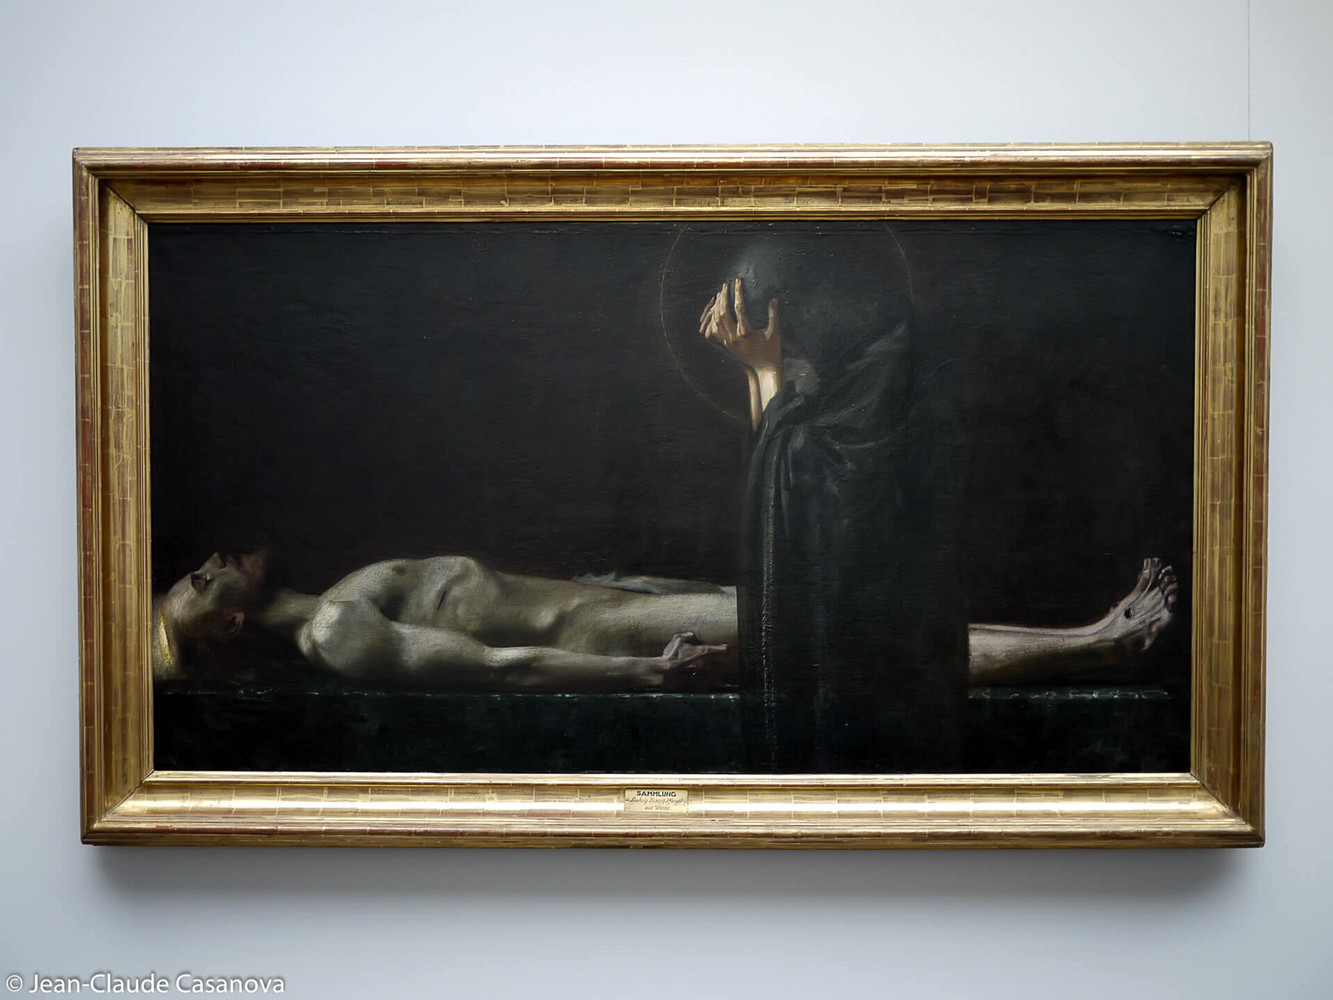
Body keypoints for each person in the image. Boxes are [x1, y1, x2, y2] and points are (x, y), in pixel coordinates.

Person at [153, 546, 1177, 693]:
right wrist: (643, 670)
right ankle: (1103, 644)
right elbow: (499, 665)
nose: (203, 570)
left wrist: (626, 587)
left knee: (853, 620)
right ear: (231, 628)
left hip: (617, 607)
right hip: (616, 639)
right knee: (860, 644)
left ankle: (1088, 634)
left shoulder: (344, 589)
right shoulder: (336, 631)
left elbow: (501, 591)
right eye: (195, 590)